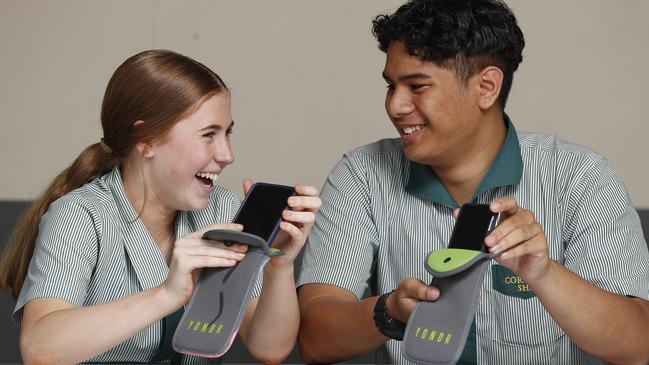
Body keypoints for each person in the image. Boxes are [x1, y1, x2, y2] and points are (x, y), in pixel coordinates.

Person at [296, 0, 649, 364]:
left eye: (417, 86)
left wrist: (544, 275)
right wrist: (388, 311)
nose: (395, 106)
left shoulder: (580, 177)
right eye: (391, 86)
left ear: (487, 87)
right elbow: (315, 338)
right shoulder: (362, 174)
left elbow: (639, 344)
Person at [0, 49, 320, 364]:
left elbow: (270, 349)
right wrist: (167, 294)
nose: (227, 154)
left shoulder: (222, 209)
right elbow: (40, 349)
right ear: (147, 140)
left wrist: (279, 263)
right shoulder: (80, 215)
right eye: (209, 134)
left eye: (227, 133)